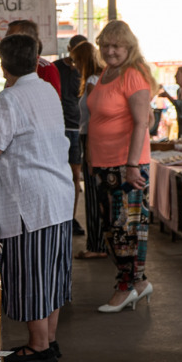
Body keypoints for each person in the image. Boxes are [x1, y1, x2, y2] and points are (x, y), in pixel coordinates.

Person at [0, 33, 73, 362]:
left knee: (31, 273)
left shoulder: (11, 98)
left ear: (2, 64)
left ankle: (38, 345)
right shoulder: (46, 90)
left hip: (31, 201)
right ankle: (49, 340)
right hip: (58, 195)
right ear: (35, 58)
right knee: (52, 275)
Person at [87, 20, 155, 313]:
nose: (110, 51)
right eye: (105, 45)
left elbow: (142, 122)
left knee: (125, 229)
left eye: (117, 46)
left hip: (126, 165)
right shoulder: (107, 73)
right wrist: (92, 161)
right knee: (111, 230)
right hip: (105, 164)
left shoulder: (133, 75)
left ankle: (127, 285)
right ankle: (138, 284)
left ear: (128, 47)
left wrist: (131, 165)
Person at [72, 37, 107, 260]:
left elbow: (95, 117)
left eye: (76, 61)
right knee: (96, 193)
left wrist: (92, 150)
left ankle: (96, 245)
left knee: (94, 195)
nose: (74, 66)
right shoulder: (95, 79)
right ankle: (99, 243)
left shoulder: (94, 80)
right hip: (89, 138)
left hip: (91, 139)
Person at [54, 35, 86, 236]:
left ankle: (71, 218)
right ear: (69, 49)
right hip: (57, 128)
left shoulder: (86, 72)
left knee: (75, 176)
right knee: (57, 174)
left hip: (77, 128)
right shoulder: (55, 67)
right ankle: (59, 216)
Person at [5, 20, 61, 97]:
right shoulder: (11, 68)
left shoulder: (46, 69)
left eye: (12, 38)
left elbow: (52, 103)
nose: (6, 42)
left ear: (28, 39)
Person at [158, 65, 182, 138]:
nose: (175, 77)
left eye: (178, 75)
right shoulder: (179, 91)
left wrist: (168, 97)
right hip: (181, 125)